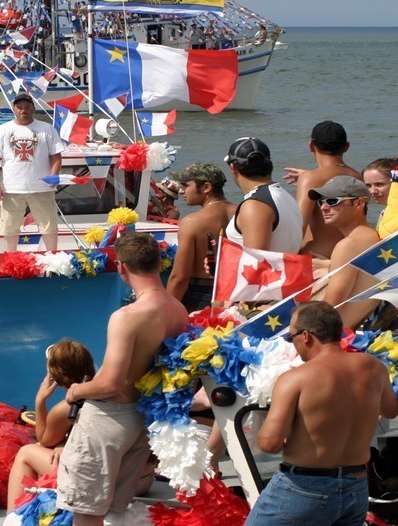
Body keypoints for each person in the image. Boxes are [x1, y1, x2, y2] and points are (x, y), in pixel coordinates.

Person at [57, 232, 187, 525]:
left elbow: (110, 384)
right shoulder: (179, 311)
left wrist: (77, 390)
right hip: (140, 419)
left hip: (108, 420)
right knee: (116, 512)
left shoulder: (127, 316)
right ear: (158, 263)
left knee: (87, 512)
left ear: (122, 267)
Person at [245, 301, 398, 526]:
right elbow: (391, 410)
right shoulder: (373, 367)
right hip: (355, 486)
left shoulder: (296, 378)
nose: (293, 344)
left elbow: (269, 444)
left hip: (303, 487)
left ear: (306, 336)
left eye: (291, 337)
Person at [6, 338, 96, 510]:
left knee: (26, 452)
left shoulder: (65, 409)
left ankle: (13, 516)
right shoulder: (107, 392)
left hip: (95, 482)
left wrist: (40, 401)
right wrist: (64, 442)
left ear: (55, 376)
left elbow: (45, 440)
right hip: (138, 480)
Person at [0, 93, 66, 252]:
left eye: (27, 107)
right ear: (14, 110)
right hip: (11, 189)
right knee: (9, 228)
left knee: (49, 226)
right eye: (19, 107)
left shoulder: (47, 129)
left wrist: (53, 177)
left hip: (42, 188)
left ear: (34, 109)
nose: (23, 110)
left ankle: (52, 256)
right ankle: (11, 258)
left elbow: (56, 156)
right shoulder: (2, 130)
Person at [308, 176, 381, 328]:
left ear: (359, 203)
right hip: (358, 326)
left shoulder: (348, 245)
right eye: (321, 202)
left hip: (331, 336)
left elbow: (330, 309)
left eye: (333, 201)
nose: (323, 207)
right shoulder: (371, 235)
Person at [284, 121, 362, 259]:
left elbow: (298, 228)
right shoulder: (358, 177)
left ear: (311, 146)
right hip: (351, 256)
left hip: (318, 257)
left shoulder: (311, 178)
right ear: (347, 146)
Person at [166, 163, 237, 312]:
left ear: (206, 187)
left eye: (185, 185)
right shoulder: (243, 212)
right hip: (236, 295)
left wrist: (166, 311)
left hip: (201, 295)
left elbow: (179, 277)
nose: (181, 190)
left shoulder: (192, 222)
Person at [224, 137, 303, 253]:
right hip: (285, 270)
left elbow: (255, 265)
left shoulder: (255, 205)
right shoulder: (284, 195)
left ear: (233, 168)